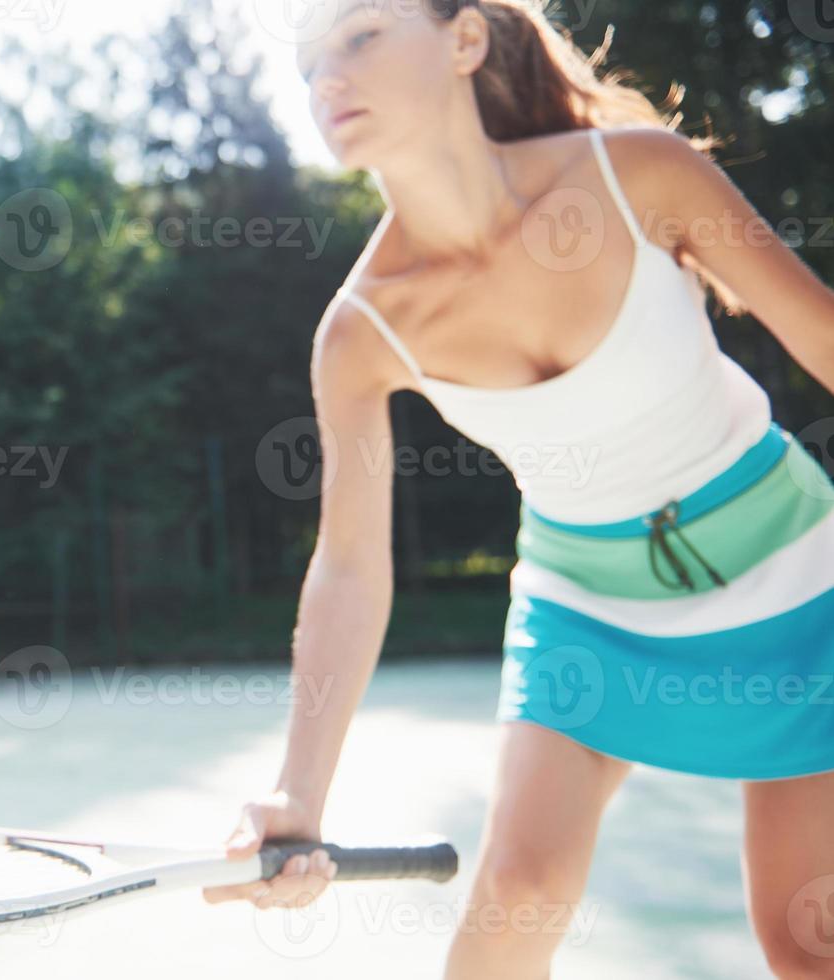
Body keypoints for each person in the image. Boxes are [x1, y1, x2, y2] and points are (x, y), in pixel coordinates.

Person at [200, 2, 834, 977]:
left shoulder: (643, 177)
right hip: (583, 609)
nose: (328, 78)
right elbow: (348, 565)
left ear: (462, 41)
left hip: (796, 581)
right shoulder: (361, 333)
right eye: (310, 63)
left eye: (361, 36)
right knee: (518, 894)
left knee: (801, 939)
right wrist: (298, 794)